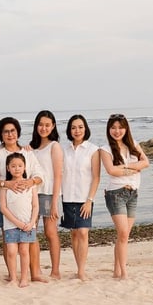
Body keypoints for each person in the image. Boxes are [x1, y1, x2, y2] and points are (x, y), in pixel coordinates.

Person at [0, 117, 44, 278]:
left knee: (31, 238)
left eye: (13, 131)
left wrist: (30, 182)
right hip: (3, 203)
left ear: (18, 132)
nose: (10, 134)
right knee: (8, 239)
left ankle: (35, 273)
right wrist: (7, 184)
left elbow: (40, 175)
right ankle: (12, 274)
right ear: (1, 135)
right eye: (6, 132)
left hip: (27, 204)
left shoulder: (27, 153)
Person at [99, 114, 150, 280]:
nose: (117, 131)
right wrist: (133, 169)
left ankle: (116, 271)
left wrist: (125, 167)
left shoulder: (134, 145)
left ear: (126, 128)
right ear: (108, 130)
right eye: (113, 128)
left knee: (124, 235)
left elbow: (146, 163)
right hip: (115, 193)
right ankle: (124, 273)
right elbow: (111, 171)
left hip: (133, 193)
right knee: (122, 233)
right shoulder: (105, 149)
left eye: (120, 127)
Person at [61, 114, 100, 282]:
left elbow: (96, 177)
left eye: (80, 127)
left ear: (86, 128)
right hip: (67, 197)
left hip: (85, 198)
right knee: (75, 233)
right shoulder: (64, 149)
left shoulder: (93, 149)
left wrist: (89, 200)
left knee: (83, 232)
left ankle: (82, 271)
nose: (77, 130)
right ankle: (78, 269)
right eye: (74, 127)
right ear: (70, 130)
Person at [28, 109, 64, 279]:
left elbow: (58, 175)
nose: (43, 128)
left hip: (49, 194)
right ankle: (36, 269)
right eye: (41, 125)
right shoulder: (32, 146)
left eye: (47, 125)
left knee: (50, 232)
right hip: (32, 194)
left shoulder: (54, 146)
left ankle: (55, 270)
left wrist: (56, 202)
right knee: (32, 231)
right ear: (36, 126)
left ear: (53, 126)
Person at [0, 152, 39, 287]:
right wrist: (18, 223)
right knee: (11, 251)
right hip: (11, 225)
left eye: (20, 166)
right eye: (13, 166)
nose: (17, 168)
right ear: (8, 168)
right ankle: (13, 278)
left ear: (25, 167)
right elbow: (3, 208)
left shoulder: (31, 185)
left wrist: (32, 222)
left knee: (24, 251)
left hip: (28, 225)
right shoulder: (5, 187)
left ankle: (24, 278)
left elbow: (35, 206)